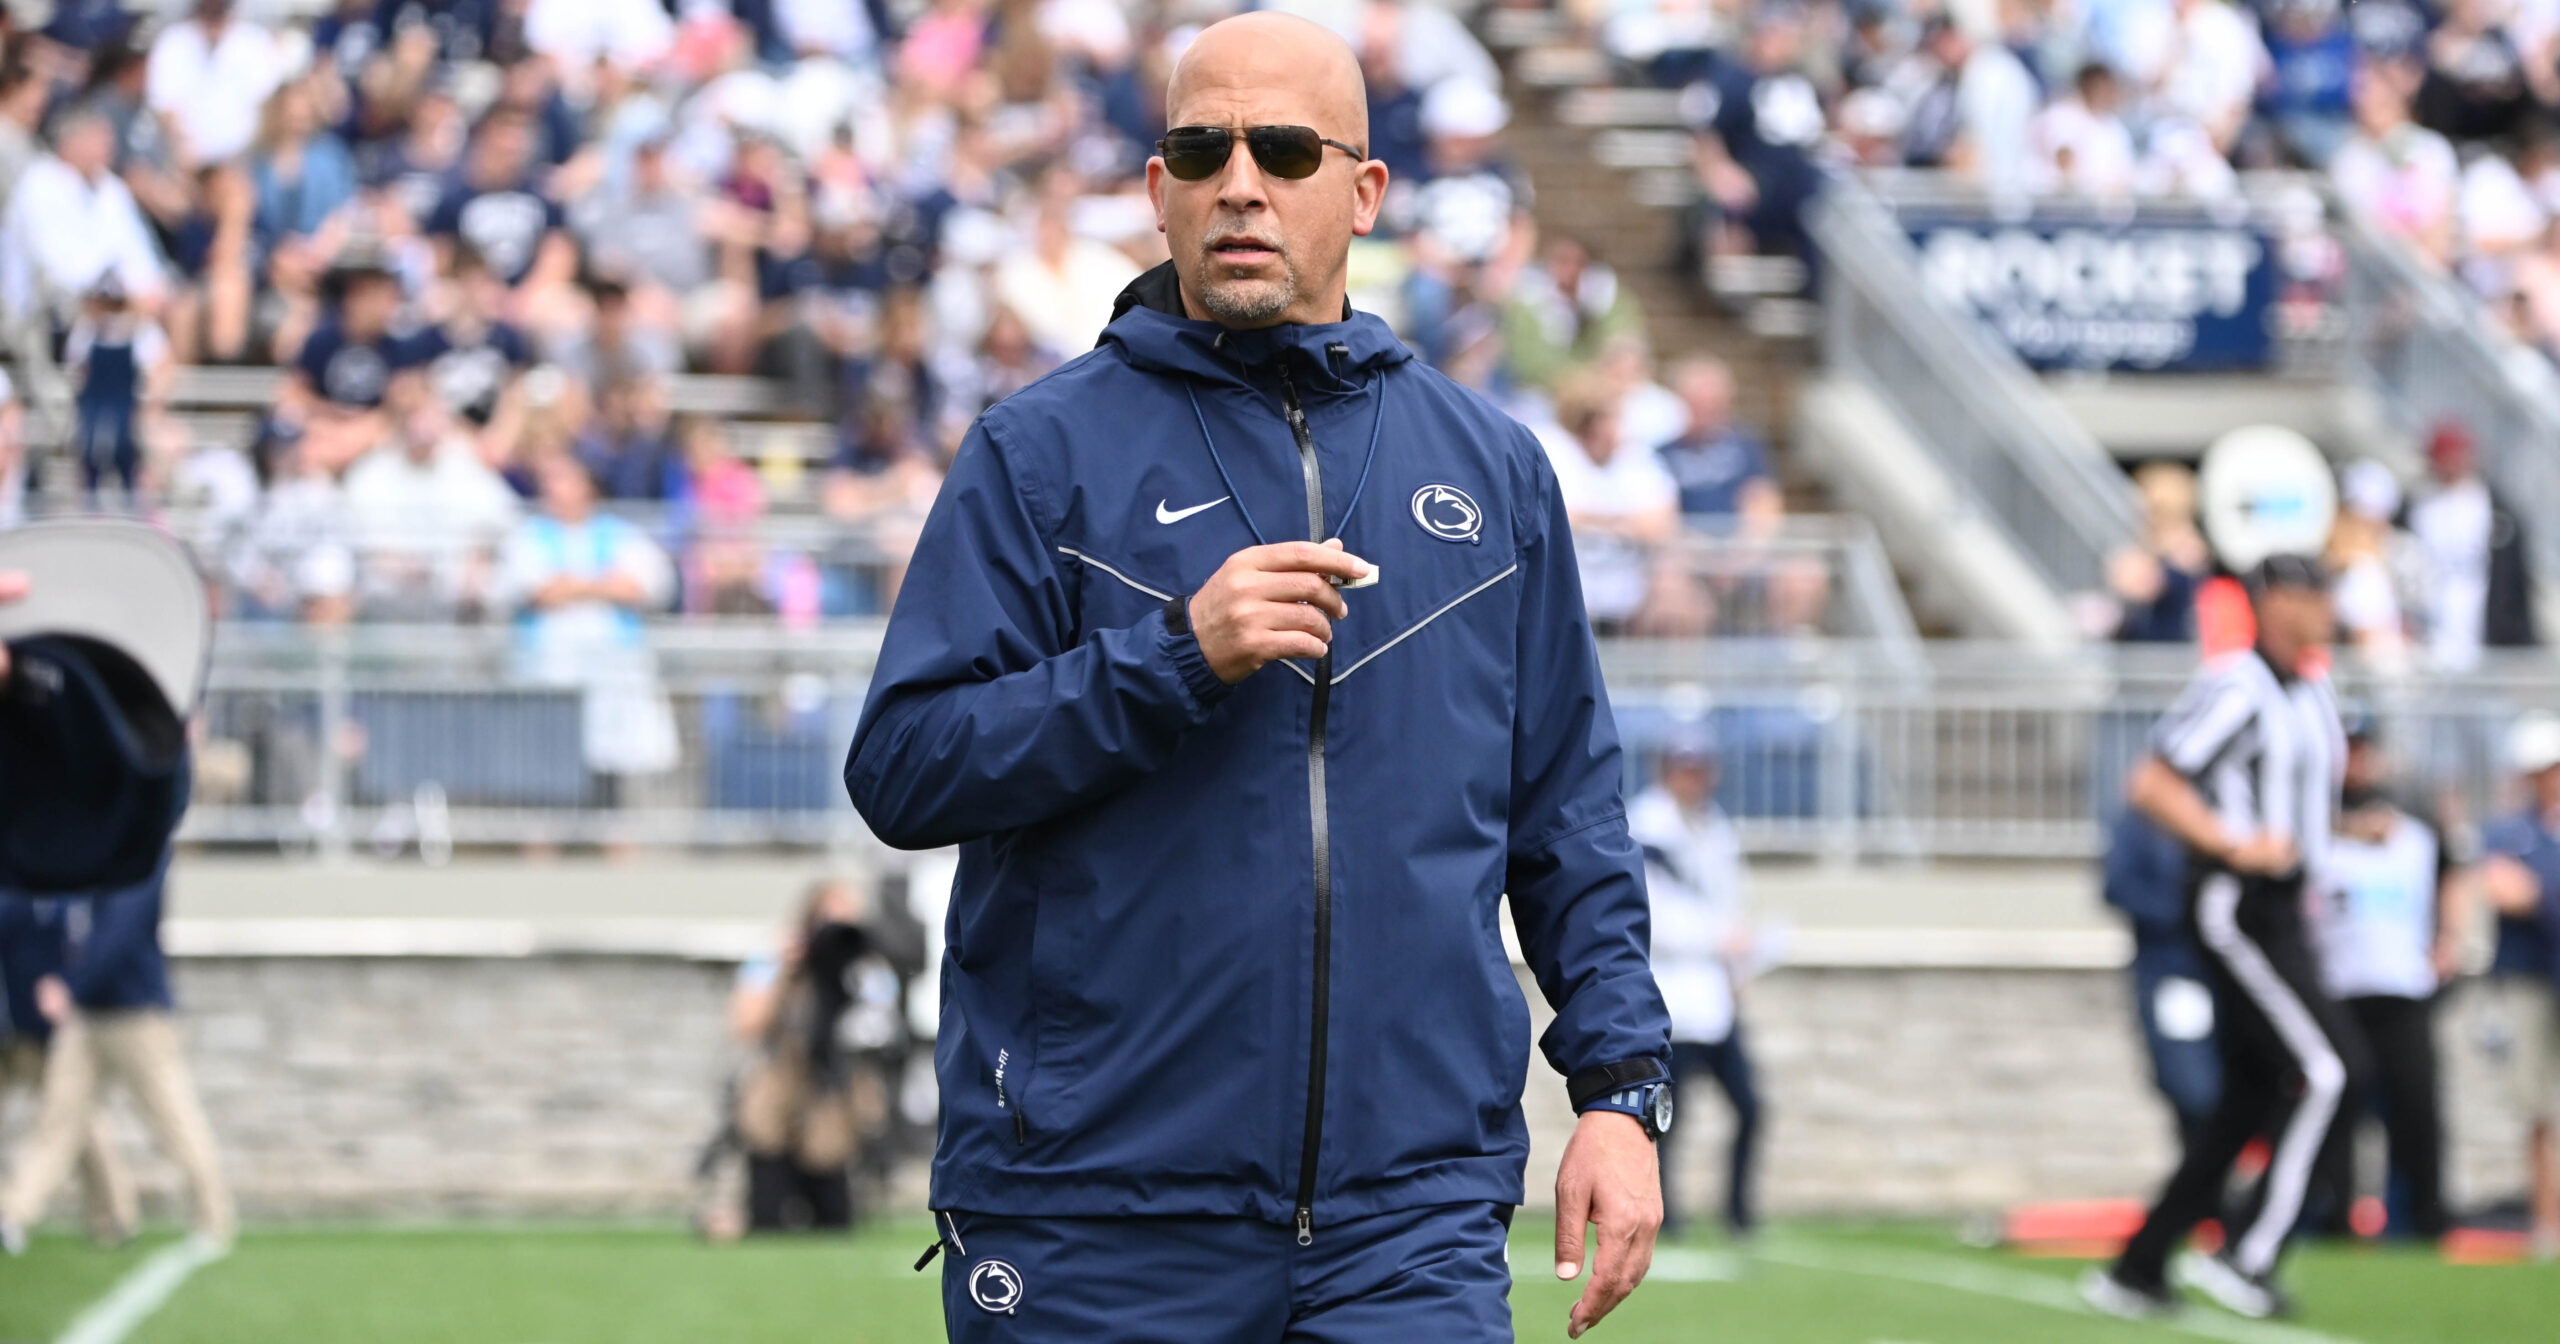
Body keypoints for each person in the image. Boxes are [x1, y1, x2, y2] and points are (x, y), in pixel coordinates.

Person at [842, 13, 1672, 1341]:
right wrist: (1176, 657)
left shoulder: (1493, 468)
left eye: (1283, 149)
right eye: (1200, 146)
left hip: (1412, 1225)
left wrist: (1623, 1094)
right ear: (1157, 190)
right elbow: (905, 764)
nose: (1240, 181)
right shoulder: (1036, 452)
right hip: (1094, 1219)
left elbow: (1567, 815)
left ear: (1364, 191)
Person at [2084, 554, 2356, 1321]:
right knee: (2330, 1071)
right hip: (2241, 903)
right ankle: (2246, 1251)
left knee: (2247, 1099)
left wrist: (2340, 835)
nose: (2328, 609)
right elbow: (2153, 783)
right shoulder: (2239, 682)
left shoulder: (2313, 687)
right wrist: (2229, 843)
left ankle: (2138, 1266)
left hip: (2288, 904)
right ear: (2276, 600)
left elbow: (2297, 804)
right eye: (2314, 594)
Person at [0, 857, 235, 1257]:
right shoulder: (100, 859)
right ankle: (15, 1216)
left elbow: (117, 937)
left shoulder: (143, 859)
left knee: (172, 1120)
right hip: (86, 1021)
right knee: (58, 1121)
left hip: (137, 1016)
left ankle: (213, 1220)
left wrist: (70, 988)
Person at [2305, 721, 2458, 1240]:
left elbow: (2452, 870)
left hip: (2401, 985)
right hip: (2337, 985)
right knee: (2337, 1108)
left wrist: (2448, 939)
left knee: (2416, 1109)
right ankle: (2334, 1218)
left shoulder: (2411, 818)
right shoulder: (2309, 813)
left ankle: (2425, 1219)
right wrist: (2346, 828)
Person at [1629, 728, 1765, 1240]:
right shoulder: (1648, 828)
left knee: (1750, 1107)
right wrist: (1717, 941)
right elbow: (1655, 919)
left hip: (1713, 998)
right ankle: (1665, 1213)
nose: (1695, 779)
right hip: (1675, 1000)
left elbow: (1728, 904)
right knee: (1671, 1116)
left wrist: (1736, 968)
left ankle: (1738, 1211)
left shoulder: (1715, 828)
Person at [727, 878, 898, 1233]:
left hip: (834, 1091)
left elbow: (884, 1032)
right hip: (782, 1086)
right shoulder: (776, 960)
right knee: (768, 1211)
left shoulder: (865, 967)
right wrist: (784, 968)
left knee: (834, 1214)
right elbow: (745, 1025)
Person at [0, 893, 136, 1249]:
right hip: (8, 1033)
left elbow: (88, 952)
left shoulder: (63, 900)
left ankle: (114, 1218)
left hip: (46, 1037)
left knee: (78, 1123)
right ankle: (9, 1211)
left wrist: (68, 991)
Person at [2478, 710, 2560, 1259]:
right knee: (2537, 1108)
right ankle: (2547, 1224)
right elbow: (2504, 891)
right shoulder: (2509, 832)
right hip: (2533, 984)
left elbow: (2535, 896)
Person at [2103, 806, 2223, 1156]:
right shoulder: (2144, 826)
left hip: (2231, 980)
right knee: (2195, 1092)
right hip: (2177, 974)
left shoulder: (2226, 811)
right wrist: (2190, 912)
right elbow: (2117, 887)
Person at [63, 276, 169, 506]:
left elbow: (158, 364)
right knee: (90, 456)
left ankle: (131, 507)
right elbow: (76, 367)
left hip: (124, 405)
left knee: (127, 455)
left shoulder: (140, 331)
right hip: (94, 404)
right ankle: (90, 509)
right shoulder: (86, 331)